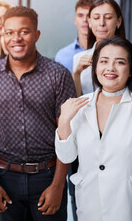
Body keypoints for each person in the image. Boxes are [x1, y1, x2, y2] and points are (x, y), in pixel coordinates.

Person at [0, 6, 76, 221]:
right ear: (3, 35)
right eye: (9, 33)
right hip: (5, 178)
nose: (17, 39)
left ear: (36, 35)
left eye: (24, 31)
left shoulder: (58, 75)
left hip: (48, 177)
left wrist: (59, 185)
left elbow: (66, 133)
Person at [56, 36, 132, 221]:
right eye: (104, 61)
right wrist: (64, 120)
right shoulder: (80, 105)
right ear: (95, 67)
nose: (110, 68)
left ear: (130, 70)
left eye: (120, 62)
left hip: (125, 204)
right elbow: (67, 157)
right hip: (89, 205)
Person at [53, 0, 95, 221]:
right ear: (74, 19)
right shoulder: (63, 55)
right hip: (73, 131)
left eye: (92, 16)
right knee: (74, 188)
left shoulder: (113, 53)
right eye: (82, 16)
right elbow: (60, 100)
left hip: (100, 130)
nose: (87, 21)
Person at [72, 0, 125, 96]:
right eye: (96, 18)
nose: (101, 23)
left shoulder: (128, 56)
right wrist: (76, 74)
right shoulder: (78, 58)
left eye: (108, 18)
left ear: (118, 21)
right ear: (90, 22)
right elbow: (76, 99)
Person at [55, 0, 95, 73]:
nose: (85, 20)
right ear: (75, 20)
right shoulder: (61, 56)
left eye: (89, 16)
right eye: (80, 16)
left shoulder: (105, 53)